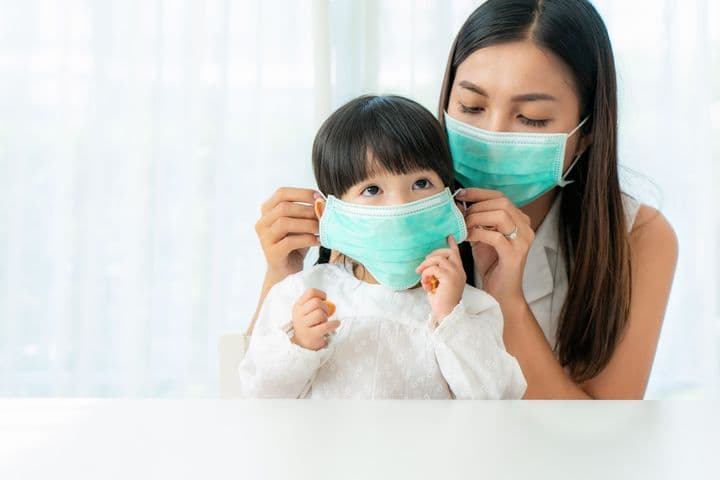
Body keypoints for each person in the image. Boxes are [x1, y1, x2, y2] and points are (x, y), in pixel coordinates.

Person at [249, 0, 677, 399]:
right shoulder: (394, 209)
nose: (494, 134)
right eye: (472, 107)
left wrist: (507, 300)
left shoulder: (640, 236)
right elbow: (261, 393)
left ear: (586, 133)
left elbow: (608, 437)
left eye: (532, 117)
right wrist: (281, 276)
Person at [239, 95, 526, 399]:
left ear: (450, 198)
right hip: (329, 448)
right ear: (328, 214)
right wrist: (300, 344)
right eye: (372, 189)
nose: (401, 205)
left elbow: (499, 398)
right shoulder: (300, 293)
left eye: (420, 184)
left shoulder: (470, 306)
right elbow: (259, 397)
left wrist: (449, 317)